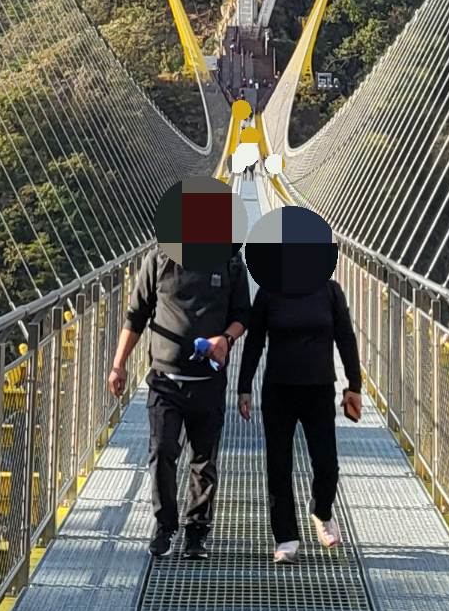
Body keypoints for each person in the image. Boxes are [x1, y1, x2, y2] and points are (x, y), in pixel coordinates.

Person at [108, 237, 250, 560]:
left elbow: (243, 314)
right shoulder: (158, 258)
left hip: (208, 380)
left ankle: (197, 531)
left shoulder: (230, 261)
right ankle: (164, 525)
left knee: (203, 460)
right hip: (164, 379)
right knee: (162, 451)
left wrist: (227, 338)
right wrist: (119, 364)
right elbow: (136, 314)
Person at [236, 262, 362, 564]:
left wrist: (353, 385)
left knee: (327, 464)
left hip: (319, 390)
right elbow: (254, 342)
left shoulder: (330, 291)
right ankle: (286, 538)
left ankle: (322, 512)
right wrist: (244, 387)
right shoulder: (269, 293)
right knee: (279, 467)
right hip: (278, 390)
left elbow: (345, 338)